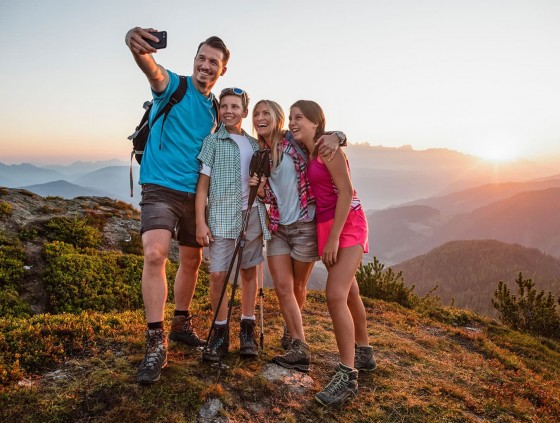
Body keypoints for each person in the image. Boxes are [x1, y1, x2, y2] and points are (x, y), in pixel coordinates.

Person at [124, 27, 229, 385]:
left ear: (221, 71)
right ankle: (156, 341)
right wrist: (135, 45)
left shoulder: (216, 108)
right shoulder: (174, 86)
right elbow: (151, 69)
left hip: (197, 194)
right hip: (160, 187)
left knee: (192, 259)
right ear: (194, 60)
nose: (205, 65)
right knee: (154, 253)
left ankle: (181, 322)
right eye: (201, 58)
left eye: (212, 62)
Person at [289, 100, 375, 407]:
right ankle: (363, 353)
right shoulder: (311, 148)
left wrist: (334, 238)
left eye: (298, 117)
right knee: (350, 292)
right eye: (290, 117)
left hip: (347, 223)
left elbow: (347, 191)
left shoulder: (328, 148)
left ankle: (346, 376)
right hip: (327, 224)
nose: (292, 122)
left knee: (335, 294)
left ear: (316, 122)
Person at [250, 100, 344, 373]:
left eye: (266, 113)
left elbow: (324, 136)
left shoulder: (295, 142)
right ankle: (300, 346)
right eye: (256, 114)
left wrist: (338, 137)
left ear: (277, 118)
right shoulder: (260, 153)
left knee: (298, 287)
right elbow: (268, 195)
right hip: (279, 228)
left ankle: (292, 332)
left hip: (304, 226)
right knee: (282, 287)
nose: (260, 118)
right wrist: (258, 189)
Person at [195, 88, 270, 362]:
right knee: (218, 275)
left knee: (249, 272)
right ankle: (220, 331)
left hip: (251, 216)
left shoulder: (255, 145)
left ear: (244, 112)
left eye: (235, 106)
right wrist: (200, 222)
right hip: (220, 218)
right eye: (224, 106)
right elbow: (202, 188)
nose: (228, 110)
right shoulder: (212, 142)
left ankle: (247, 329)